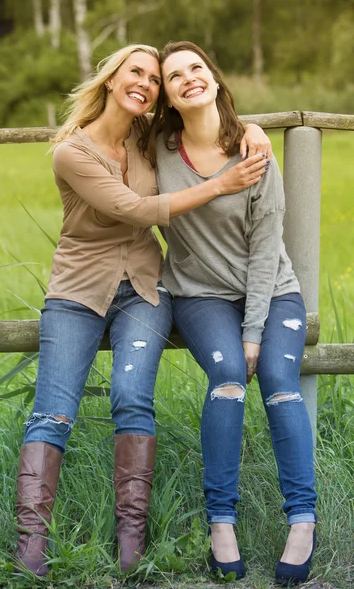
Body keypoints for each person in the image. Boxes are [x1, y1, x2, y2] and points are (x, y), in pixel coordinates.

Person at [14, 43, 271, 577]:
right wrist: (221, 184)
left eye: (154, 79)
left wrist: (252, 130)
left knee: (133, 400)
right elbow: (134, 208)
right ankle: (31, 548)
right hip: (78, 291)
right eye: (137, 73)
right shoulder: (72, 152)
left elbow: (207, 121)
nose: (147, 84)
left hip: (145, 290)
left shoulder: (147, 137)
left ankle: (130, 545)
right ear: (110, 79)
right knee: (53, 410)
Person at [149, 41, 317, 585]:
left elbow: (268, 251)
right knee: (227, 377)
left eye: (197, 67)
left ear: (215, 79)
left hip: (272, 290)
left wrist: (253, 332)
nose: (188, 78)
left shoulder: (254, 152)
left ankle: (303, 519)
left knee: (277, 377)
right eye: (175, 75)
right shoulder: (157, 147)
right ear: (169, 97)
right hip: (199, 295)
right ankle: (222, 521)